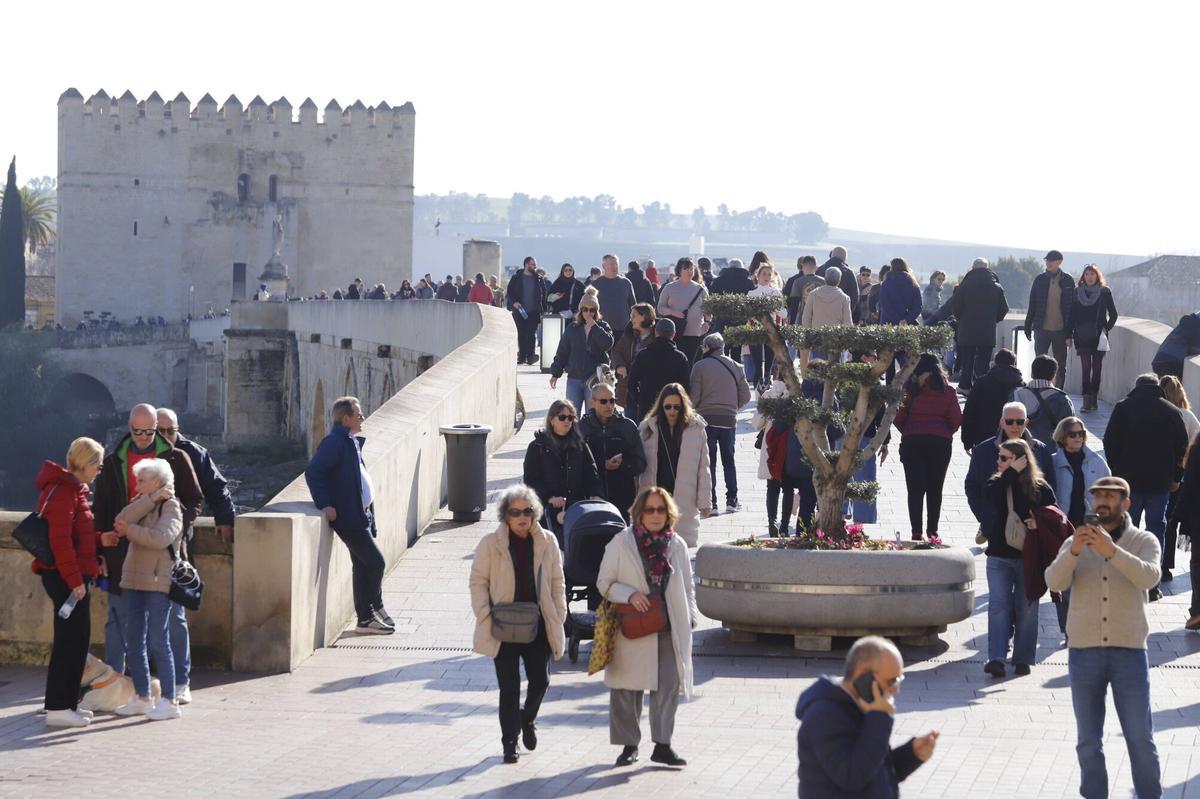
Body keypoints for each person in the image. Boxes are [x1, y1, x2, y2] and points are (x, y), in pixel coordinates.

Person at [1045, 476, 1163, 799]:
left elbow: (1149, 578)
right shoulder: (1075, 541)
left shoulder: (1144, 540)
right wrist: (1074, 552)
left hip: (1130, 652)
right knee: (1087, 740)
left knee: (1140, 736)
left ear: (1126, 503)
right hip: (1084, 653)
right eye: (1098, 496)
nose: (1102, 503)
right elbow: (1053, 580)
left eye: (1110, 497)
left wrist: (1112, 552)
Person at [93, 404, 203, 677]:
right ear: (129, 428)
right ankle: (115, 680)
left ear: (157, 428)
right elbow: (102, 511)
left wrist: (176, 526)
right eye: (136, 431)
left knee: (174, 620)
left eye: (149, 431)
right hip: (122, 552)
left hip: (166, 552)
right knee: (118, 620)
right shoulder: (112, 462)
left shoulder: (177, 458)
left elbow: (195, 500)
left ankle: (180, 682)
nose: (142, 437)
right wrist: (100, 551)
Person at [597, 486, 697, 768]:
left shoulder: (676, 544)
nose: (655, 515)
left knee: (668, 686)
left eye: (661, 509)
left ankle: (662, 745)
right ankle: (629, 746)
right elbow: (604, 583)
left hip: (668, 626)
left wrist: (689, 615)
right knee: (627, 688)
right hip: (632, 626)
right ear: (639, 513)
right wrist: (628, 593)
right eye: (650, 509)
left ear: (669, 513)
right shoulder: (621, 543)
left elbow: (687, 587)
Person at [469, 484, 567, 764]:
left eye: (527, 511)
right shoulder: (490, 543)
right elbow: (478, 581)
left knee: (541, 680)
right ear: (505, 516)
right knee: (509, 688)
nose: (522, 517)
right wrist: (484, 612)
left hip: (537, 623)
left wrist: (559, 613)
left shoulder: (547, 540)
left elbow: (558, 581)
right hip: (503, 624)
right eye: (515, 512)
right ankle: (509, 743)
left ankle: (527, 719)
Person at [155, 408, 235, 704]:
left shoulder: (192, 453)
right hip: (140, 543)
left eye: (170, 430)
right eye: (159, 430)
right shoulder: (138, 452)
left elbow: (214, 487)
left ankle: (179, 680)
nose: (165, 436)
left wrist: (225, 519)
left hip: (179, 542)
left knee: (175, 610)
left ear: (178, 429)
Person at [796, 636, 938, 798]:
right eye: (892, 681)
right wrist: (880, 717)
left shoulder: (864, 704)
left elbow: (873, 768)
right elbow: (853, 776)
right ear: (864, 675)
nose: (896, 689)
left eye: (899, 680)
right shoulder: (824, 715)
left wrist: (911, 755)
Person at [304, 396, 395, 634]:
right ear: (346, 418)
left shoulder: (349, 440)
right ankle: (369, 612)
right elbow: (314, 472)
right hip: (348, 516)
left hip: (360, 513)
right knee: (376, 562)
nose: (362, 418)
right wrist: (325, 504)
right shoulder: (335, 442)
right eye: (359, 414)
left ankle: (367, 616)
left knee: (362, 565)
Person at [32, 437, 106, 728]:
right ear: (86, 464)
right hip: (66, 577)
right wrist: (75, 581)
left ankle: (65, 704)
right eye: (97, 465)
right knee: (71, 642)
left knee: (74, 641)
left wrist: (101, 540)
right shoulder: (65, 492)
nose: (99, 470)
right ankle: (60, 707)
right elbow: (60, 542)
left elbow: (76, 536)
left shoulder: (68, 490)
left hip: (65, 575)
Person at [1103, 373, 1189, 601]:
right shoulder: (1171, 411)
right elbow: (1183, 446)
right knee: (1155, 530)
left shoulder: (1123, 408)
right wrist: (1177, 477)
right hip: (1160, 482)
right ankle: (1152, 583)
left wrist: (1116, 471)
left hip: (1128, 482)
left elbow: (1109, 441)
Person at [112, 458, 184, 720]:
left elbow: (161, 538)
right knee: (134, 642)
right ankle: (142, 696)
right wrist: (149, 499)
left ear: (157, 481)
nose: (137, 484)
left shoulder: (172, 507)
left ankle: (169, 700)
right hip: (133, 580)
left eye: (142, 480)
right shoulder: (144, 503)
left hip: (157, 582)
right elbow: (120, 520)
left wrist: (130, 530)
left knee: (158, 641)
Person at [983, 438, 1057, 678]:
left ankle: (1023, 659)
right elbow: (990, 498)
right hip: (998, 556)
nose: (998, 461)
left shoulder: (1040, 488)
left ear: (1020, 460)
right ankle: (996, 658)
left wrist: (1039, 522)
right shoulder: (998, 482)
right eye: (999, 457)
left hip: (1029, 557)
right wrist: (1010, 474)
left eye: (1004, 458)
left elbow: (1054, 516)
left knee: (1027, 608)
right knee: (998, 606)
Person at [893, 354, 962, 540]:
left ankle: (916, 531)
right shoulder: (947, 390)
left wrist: (908, 430)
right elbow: (956, 419)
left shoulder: (909, 388)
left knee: (915, 489)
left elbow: (898, 416)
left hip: (913, 441)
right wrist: (945, 432)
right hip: (940, 444)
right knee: (935, 488)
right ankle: (933, 532)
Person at [966, 402, 1055, 545]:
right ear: (1002, 423)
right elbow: (972, 486)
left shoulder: (1041, 450)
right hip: (996, 530)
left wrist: (1040, 518)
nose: (1015, 426)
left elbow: (1051, 486)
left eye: (1019, 422)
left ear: (1026, 422)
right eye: (1009, 421)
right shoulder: (983, 451)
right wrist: (984, 516)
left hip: (1030, 531)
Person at [637, 384, 712, 547]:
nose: (672, 411)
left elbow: (704, 468)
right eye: (668, 407)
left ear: (683, 406)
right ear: (661, 406)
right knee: (654, 545)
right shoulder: (647, 428)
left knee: (679, 548)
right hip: (655, 493)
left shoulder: (696, 429)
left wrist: (705, 501)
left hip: (685, 495)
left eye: (677, 407)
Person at [522, 399, 602, 540]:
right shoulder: (537, 447)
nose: (567, 421)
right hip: (546, 512)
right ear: (552, 420)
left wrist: (595, 494)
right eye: (562, 417)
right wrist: (549, 498)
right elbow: (531, 480)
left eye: (570, 417)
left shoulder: (580, 445)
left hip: (576, 509)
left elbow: (591, 473)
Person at [690, 333, 751, 514]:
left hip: (706, 419)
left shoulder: (699, 367)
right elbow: (746, 396)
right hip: (728, 420)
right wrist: (732, 407)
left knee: (710, 463)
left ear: (708, 347)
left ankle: (712, 503)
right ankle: (732, 500)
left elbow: (694, 397)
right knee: (729, 461)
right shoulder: (737, 366)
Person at [579, 383, 646, 520]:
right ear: (592, 402)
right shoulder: (582, 428)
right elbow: (576, 463)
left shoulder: (627, 426)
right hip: (592, 498)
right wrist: (602, 464)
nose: (609, 405)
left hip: (622, 499)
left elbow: (640, 462)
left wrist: (623, 464)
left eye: (612, 401)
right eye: (604, 401)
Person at [549, 286, 615, 411]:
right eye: (585, 310)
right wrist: (555, 374)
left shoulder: (603, 326)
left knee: (592, 416)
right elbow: (562, 351)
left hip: (594, 379)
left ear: (596, 311)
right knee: (572, 415)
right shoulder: (572, 328)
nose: (588, 313)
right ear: (580, 310)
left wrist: (595, 327)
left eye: (592, 310)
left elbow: (607, 344)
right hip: (574, 378)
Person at [949, 257, 1009, 392]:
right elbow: (1004, 309)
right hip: (987, 329)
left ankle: (965, 386)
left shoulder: (964, 285)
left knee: (967, 359)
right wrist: (994, 320)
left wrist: (961, 319)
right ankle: (981, 388)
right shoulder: (996, 287)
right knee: (983, 361)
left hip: (967, 328)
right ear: (987, 268)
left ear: (973, 268)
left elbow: (955, 306)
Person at [1159, 375, 1197, 582]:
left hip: (1157, 474)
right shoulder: (1188, 416)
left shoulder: (1157, 414)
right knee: (1170, 522)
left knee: (1154, 520)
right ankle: (1166, 566)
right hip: (1179, 477)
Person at [1067, 264, 1119, 412]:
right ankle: (1086, 401)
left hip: (1099, 337)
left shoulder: (1105, 292)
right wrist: (1068, 335)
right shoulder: (1077, 293)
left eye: (1092, 274)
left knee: (1097, 369)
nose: (1090, 277)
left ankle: (1094, 398)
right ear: (1083, 276)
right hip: (1081, 336)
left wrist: (1105, 329)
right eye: (1087, 274)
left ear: (1097, 276)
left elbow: (1114, 315)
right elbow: (1072, 316)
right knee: (1085, 369)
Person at [1023, 250, 1075, 389]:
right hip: (1041, 328)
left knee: (1060, 365)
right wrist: (1028, 325)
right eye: (1047, 260)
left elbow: (1072, 308)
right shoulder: (1040, 279)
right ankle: (1039, 390)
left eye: (1051, 260)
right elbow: (1032, 303)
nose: (1048, 263)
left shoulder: (1068, 280)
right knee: (1039, 363)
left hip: (1061, 330)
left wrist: (1069, 333)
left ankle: (1058, 391)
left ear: (1059, 262)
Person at [626, 318, 691, 423]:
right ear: (673, 334)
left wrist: (640, 400)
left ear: (656, 332)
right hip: (671, 410)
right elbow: (686, 388)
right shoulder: (680, 357)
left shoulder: (643, 355)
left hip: (647, 408)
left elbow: (631, 383)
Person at [1051, 417, 1112, 528]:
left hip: (1091, 523)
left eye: (1081, 433)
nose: (1078, 437)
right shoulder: (1052, 462)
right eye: (1072, 434)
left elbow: (1110, 490)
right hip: (1062, 522)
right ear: (1063, 437)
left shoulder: (1097, 461)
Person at [961, 349, 1024, 453]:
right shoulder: (1021, 385)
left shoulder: (981, 383)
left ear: (995, 363)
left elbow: (969, 412)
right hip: (1013, 437)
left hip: (983, 437)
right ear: (1014, 363)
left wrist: (967, 440)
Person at [1011, 355, 1075, 454]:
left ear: (1032, 374)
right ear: (1054, 375)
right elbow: (1071, 434)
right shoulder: (1062, 399)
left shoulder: (1015, 395)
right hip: (1051, 456)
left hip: (1019, 454)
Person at [656, 256, 709, 363]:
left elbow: (708, 309)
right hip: (675, 333)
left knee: (693, 363)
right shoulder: (669, 287)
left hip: (695, 333)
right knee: (676, 362)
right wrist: (672, 312)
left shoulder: (701, 289)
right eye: (686, 268)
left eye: (691, 269)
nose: (689, 271)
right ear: (679, 270)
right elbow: (660, 308)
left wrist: (707, 322)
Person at [1172, 434, 1200, 630]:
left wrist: (1177, 516)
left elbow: (1189, 487)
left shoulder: (1197, 449)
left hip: (1197, 517)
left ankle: (1197, 611)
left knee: (1197, 564)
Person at [800, 267, 854, 368]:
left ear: (825, 278)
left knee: (818, 367)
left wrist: (809, 334)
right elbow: (848, 322)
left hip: (817, 337)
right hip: (836, 339)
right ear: (839, 280)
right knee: (835, 369)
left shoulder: (813, 294)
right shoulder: (844, 298)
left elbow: (806, 317)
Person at [611, 303, 656, 419]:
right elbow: (616, 352)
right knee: (630, 423)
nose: (631, 319)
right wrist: (620, 365)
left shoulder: (656, 336)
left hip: (648, 389)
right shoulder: (628, 334)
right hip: (629, 387)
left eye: (634, 316)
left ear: (644, 317)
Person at [744, 261, 783, 389]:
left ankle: (766, 387)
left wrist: (776, 309)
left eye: (769, 274)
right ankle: (757, 390)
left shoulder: (776, 293)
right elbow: (747, 314)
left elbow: (784, 313)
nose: (766, 276)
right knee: (757, 364)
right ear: (758, 275)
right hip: (755, 330)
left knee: (768, 366)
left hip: (771, 331)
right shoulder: (751, 293)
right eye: (764, 274)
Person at [506, 256, 547, 365]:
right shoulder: (516, 278)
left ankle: (530, 356)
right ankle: (522, 356)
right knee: (521, 334)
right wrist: (514, 302)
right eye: (532, 264)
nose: (534, 266)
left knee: (531, 334)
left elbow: (543, 295)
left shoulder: (538, 279)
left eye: (535, 265)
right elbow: (509, 293)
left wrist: (544, 310)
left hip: (534, 311)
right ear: (526, 265)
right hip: (519, 311)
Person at [708, 257, 755, 344]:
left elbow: (711, 300)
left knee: (722, 347)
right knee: (737, 350)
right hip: (741, 320)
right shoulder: (748, 283)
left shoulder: (718, 281)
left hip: (721, 321)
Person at [592, 254, 637, 336]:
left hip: (623, 330)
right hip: (602, 331)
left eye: (616, 264)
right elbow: (588, 308)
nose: (615, 266)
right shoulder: (595, 285)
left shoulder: (626, 283)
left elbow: (633, 306)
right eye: (611, 264)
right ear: (604, 266)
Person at [816, 245, 861, 322]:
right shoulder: (849, 273)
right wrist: (847, 312)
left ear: (832, 255)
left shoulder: (820, 270)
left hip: (819, 313)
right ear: (845, 258)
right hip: (839, 315)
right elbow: (855, 296)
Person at [1151, 312, 1200, 378]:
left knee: (1163, 387)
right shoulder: (1195, 328)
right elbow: (1195, 349)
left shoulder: (1184, 325)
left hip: (1159, 359)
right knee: (1172, 387)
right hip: (1172, 362)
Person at [878, 258, 923, 326]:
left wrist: (897, 319)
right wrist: (906, 320)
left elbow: (885, 305)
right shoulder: (914, 284)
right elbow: (917, 307)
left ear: (892, 267)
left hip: (888, 323)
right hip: (907, 324)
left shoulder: (886, 283)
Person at [785, 255, 823, 325]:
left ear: (803, 267)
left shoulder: (797, 282)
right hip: (821, 320)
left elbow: (794, 305)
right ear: (816, 267)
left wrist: (792, 324)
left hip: (802, 320)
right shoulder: (824, 282)